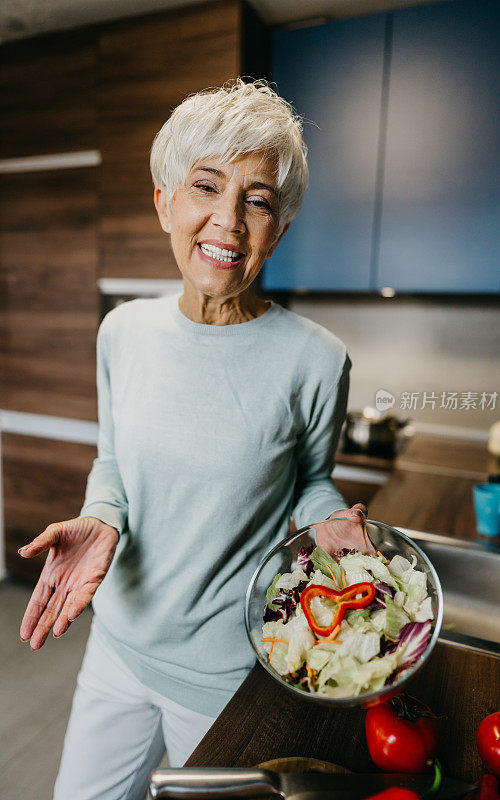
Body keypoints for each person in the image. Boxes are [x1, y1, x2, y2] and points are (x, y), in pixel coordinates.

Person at [18, 79, 370, 800]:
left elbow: (309, 481)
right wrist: (102, 516)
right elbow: (113, 461)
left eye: (258, 200)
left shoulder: (316, 358)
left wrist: (327, 518)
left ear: (280, 228)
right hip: (115, 646)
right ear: (164, 202)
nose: (228, 221)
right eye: (205, 186)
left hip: (225, 676)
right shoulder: (122, 332)